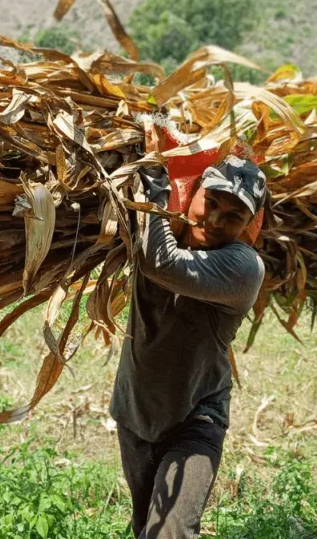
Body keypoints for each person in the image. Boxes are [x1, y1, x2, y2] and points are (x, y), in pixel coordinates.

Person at [109, 154, 268, 539]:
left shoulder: (243, 268)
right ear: (192, 193)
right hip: (135, 410)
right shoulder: (159, 229)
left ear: (251, 226)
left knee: (170, 533)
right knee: (146, 528)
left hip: (196, 416)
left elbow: (159, 262)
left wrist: (154, 180)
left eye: (233, 217)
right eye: (210, 203)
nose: (214, 222)